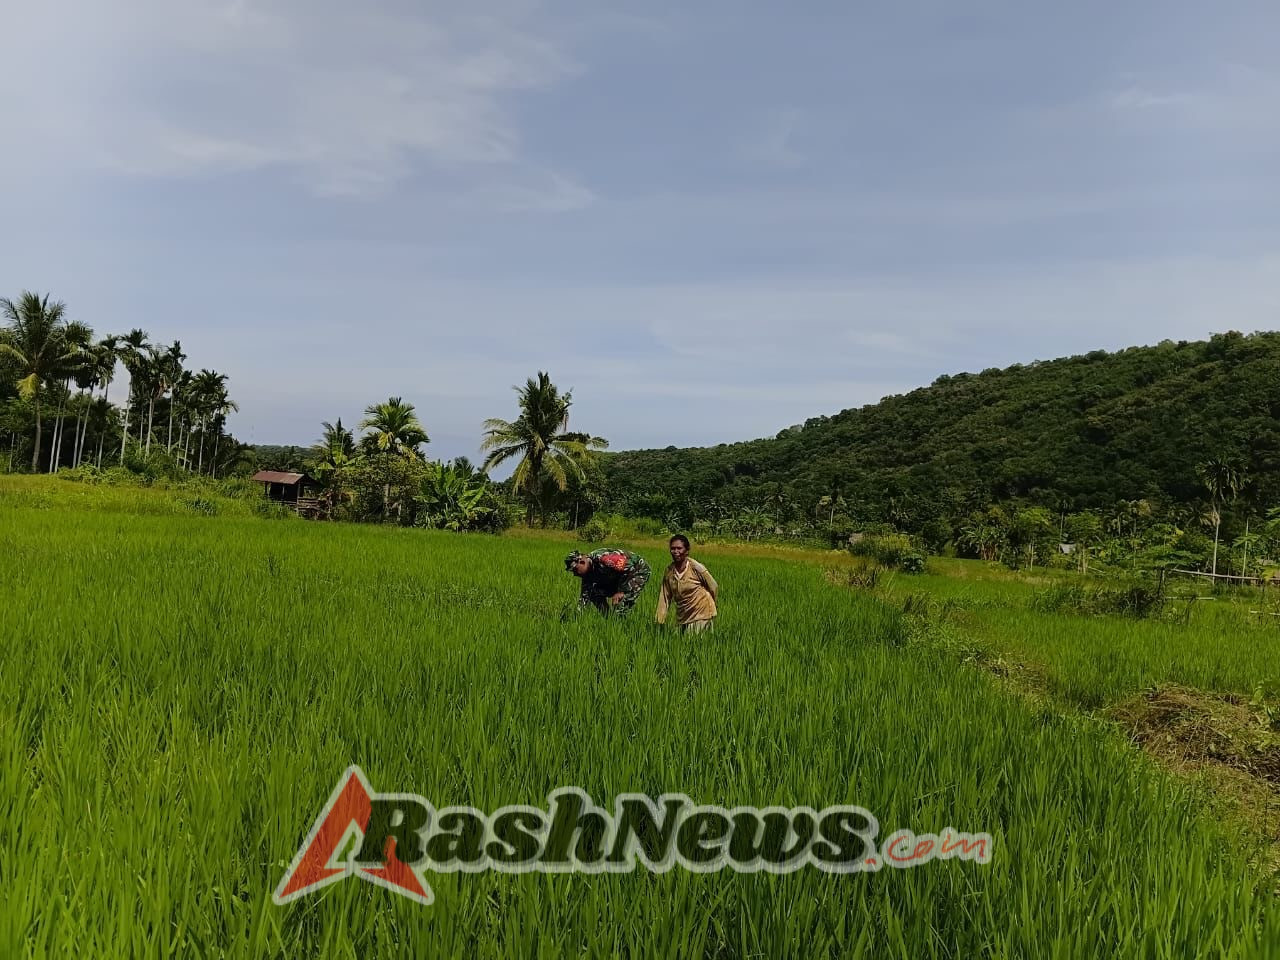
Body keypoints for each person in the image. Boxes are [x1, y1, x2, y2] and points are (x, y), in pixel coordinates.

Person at [655, 534, 719, 634]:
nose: (676, 552)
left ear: (687, 550)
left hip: (701, 612)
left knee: (690, 639)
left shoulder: (696, 568)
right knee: (676, 638)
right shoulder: (669, 572)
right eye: (673, 548)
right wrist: (659, 620)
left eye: (679, 548)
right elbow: (664, 597)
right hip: (683, 614)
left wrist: (712, 606)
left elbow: (713, 586)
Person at [565, 548, 651, 617]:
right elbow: (585, 596)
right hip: (617, 577)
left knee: (621, 603)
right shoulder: (587, 573)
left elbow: (628, 567)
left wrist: (621, 591)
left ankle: (620, 625)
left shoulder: (604, 558)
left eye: (575, 570)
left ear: (582, 562)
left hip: (636, 571)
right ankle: (608, 619)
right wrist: (576, 617)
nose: (575, 574)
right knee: (593, 593)